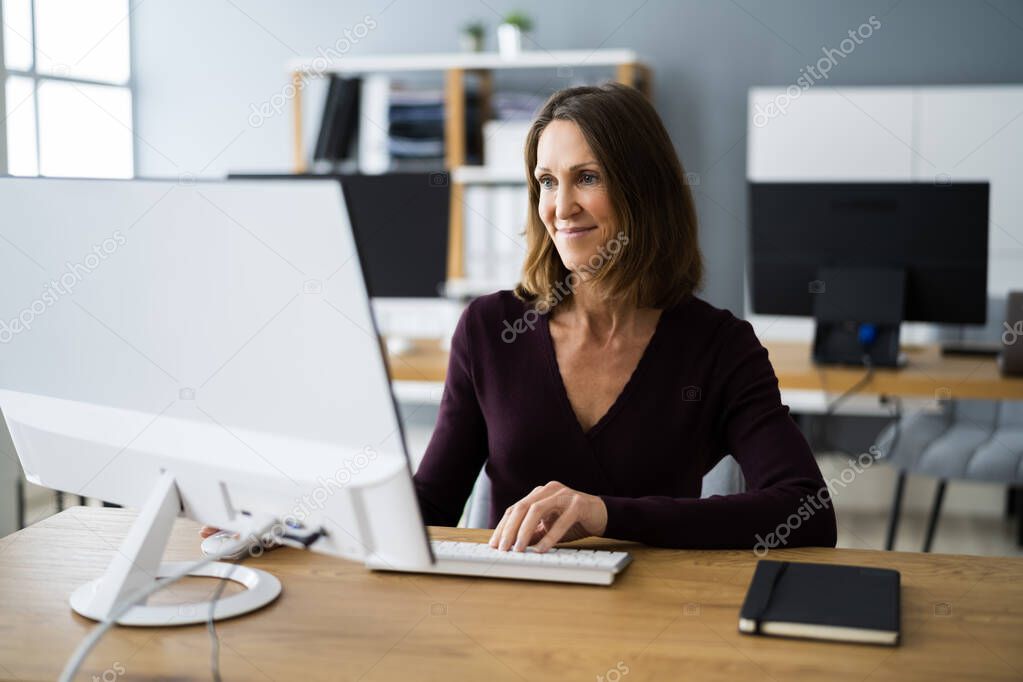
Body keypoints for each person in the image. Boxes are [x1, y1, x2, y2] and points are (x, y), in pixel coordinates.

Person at [413, 82, 838, 553]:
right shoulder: (489, 329)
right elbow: (431, 506)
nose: (561, 207)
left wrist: (606, 514)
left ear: (644, 191)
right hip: (514, 612)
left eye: (588, 177)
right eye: (548, 182)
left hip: (652, 613)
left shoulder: (718, 345)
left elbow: (807, 513)